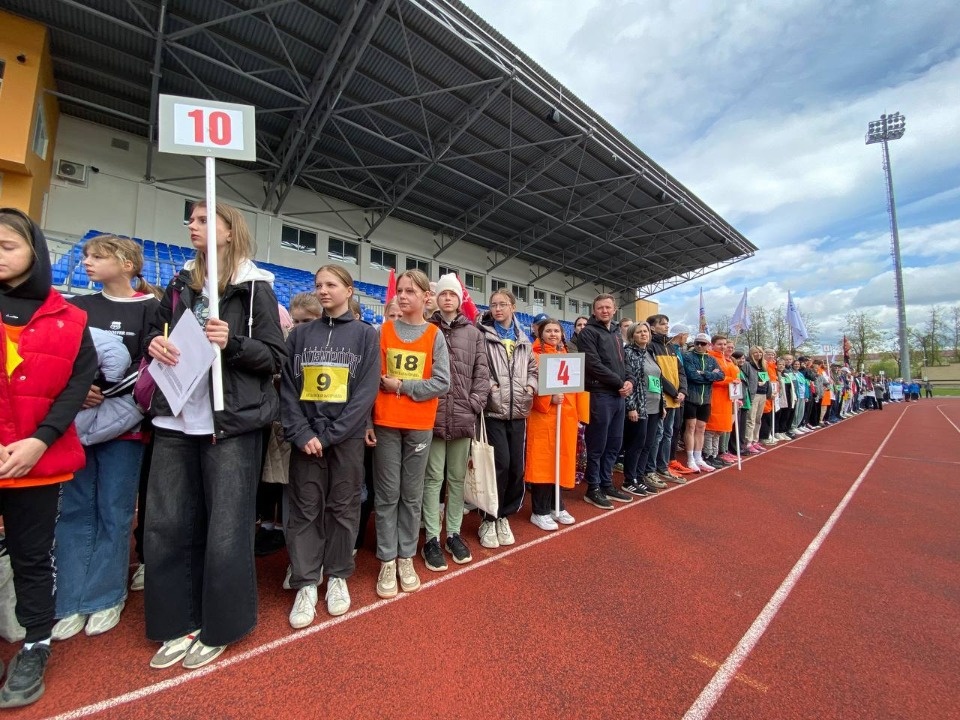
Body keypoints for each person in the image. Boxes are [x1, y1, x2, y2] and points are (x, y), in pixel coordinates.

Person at [142, 201, 286, 670]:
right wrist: (154, 342)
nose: (193, 225)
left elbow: (275, 358)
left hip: (230, 423)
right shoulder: (180, 282)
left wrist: (234, 343)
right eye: (191, 219)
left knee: (226, 530)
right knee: (166, 525)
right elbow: (153, 332)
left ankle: (222, 624)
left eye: (205, 220)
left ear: (229, 232)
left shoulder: (254, 287)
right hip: (174, 418)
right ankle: (176, 620)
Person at [0, 208, 97, 707]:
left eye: (7, 246)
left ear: (34, 253)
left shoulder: (71, 318)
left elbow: (76, 386)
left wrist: (40, 440)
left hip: (38, 460)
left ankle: (36, 643)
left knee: (32, 555)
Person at [51, 235, 161, 643]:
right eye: (86, 256)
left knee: (114, 510)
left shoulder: (151, 309)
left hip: (125, 429)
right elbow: (58, 359)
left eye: (98, 256)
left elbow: (150, 365)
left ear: (128, 264)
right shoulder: (77, 306)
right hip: (76, 424)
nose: (88, 262)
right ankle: (70, 599)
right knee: (75, 510)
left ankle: (106, 596)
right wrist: (78, 391)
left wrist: (108, 393)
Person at [281, 266, 379, 624]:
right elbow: (288, 388)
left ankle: (337, 575)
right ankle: (307, 581)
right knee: (305, 508)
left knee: (343, 507)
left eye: (331, 285)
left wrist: (330, 435)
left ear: (348, 290)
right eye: (319, 285)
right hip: (306, 439)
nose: (323, 291)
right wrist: (302, 433)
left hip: (345, 439)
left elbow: (365, 393)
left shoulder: (365, 336)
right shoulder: (300, 334)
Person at [371, 270, 450, 598]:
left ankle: (406, 556)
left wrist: (402, 386)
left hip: (419, 424)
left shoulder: (434, 335)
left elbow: (442, 382)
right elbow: (371, 379)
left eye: (410, 291)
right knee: (387, 494)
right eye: (400, 291)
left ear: (425, 297)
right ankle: (387, 559)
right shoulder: (383, 331)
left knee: (411, 494)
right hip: (386, 423)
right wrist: (368, 422)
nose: (403, 296)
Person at [421, 274, 490, 568]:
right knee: (433, 478)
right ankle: (431, 537)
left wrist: (473, 404)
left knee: (457, 479)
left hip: (462, 415)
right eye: (443, 294)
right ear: (437, 298)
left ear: (460, 299)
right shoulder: (427, 329)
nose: (448, 298)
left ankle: (453, 533)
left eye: (452, 294)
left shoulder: (474, 334)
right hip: (433, 416)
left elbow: (482, 375)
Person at [255, 292, 323, 558]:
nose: (299, 326)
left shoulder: (328, 346)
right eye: (296, 321)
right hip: (288, 426)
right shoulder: (286, 345)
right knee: (286, 487)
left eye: (307, 321)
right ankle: (292, 549)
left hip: (318, 428)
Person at [476, 289, 537, 546]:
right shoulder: (483, 335)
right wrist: (491, 387)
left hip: (519, 411)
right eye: (494, 305)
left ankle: (504, 515)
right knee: (498, 465)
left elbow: (533, 368)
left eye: (503, 304)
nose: (498, 309)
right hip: (493, 411)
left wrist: (531, 387)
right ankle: (489, 518)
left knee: (515, 467)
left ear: (513, 307)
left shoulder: (523, 338)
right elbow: (479, 366)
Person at [526, 319, 585, 529]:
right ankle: (539, 511)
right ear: (540, 334)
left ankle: (556, 506)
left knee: (561, 461)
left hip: (565, 418)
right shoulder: (534, 356)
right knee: (543, 463)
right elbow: (528, 386)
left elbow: (577, 388)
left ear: (562, 334)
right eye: (548, 331)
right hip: (543, 419)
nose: (553, 334)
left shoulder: (567, 356)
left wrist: (579, 415)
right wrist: (548, 399)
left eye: (556, 331)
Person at [577, 294, 634, 509]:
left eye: (608, 307)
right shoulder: (588, 333)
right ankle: (593, 488)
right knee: (597, 444)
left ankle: (606, 483)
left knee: (614, 444)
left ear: (614, 309)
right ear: (594, 310)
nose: (604, 311)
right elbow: (593, 364)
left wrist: (630, 380)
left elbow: (625, 362)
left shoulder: (617, 333)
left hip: (618, 396)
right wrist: (620, 383)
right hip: (600, 395)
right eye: (600, 307)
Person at [621, 321, 665, 496]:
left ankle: (639, 477)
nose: (643, 334)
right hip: (639, 406)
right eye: (638, 332)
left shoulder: (650, 353)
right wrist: (631, 407)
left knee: (648, 444)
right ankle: (629, 479)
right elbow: (629, 381)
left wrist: (662, 404)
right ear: (632, 335)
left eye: (645, 331)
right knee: (636, 444)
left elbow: (658, 380)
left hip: (654, 406)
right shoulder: (629, 353)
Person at [681, 333, 724, 473]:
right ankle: (690, 459)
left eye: (703, 343)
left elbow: (721, 375)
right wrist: (710, 375)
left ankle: (698, 458)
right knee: (690, 427)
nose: (699, 346)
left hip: (705, 399)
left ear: (708, 345)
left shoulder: (711, 359)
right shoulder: (688, 356)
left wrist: (703, 373)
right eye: (697, 343)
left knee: (701, 428)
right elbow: (693, 376)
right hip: (691, 397)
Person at [703, 335, 739, 467]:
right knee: (711, 428)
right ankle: (707, 454)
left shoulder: (726, 359)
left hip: (726, 397)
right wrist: (730, 380)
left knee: (719, 430)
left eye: (724, 344)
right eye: (719, 344)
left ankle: (714, 454)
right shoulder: (710, 358)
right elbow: (712, 377)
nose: (723, 347)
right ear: (712, 345)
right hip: (715, 396)